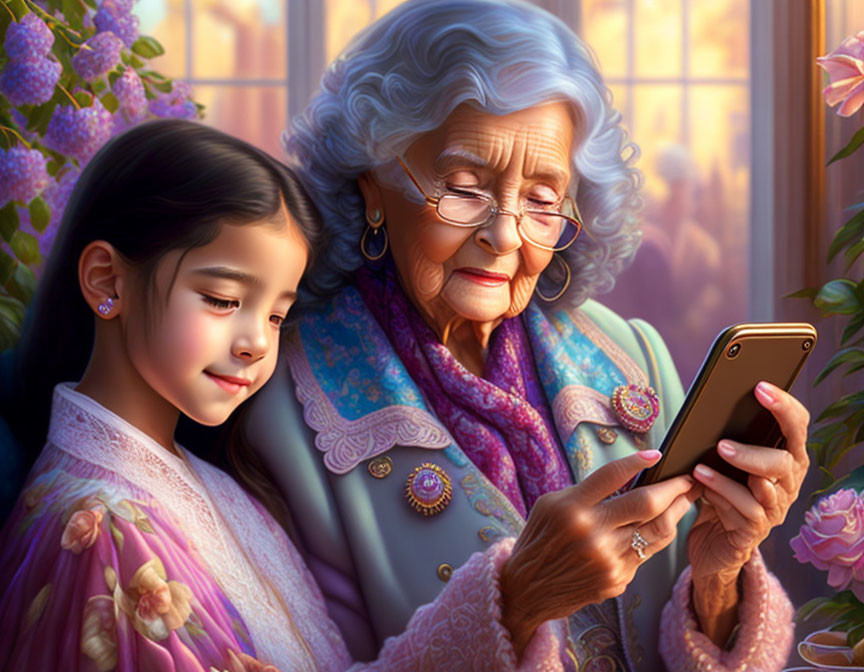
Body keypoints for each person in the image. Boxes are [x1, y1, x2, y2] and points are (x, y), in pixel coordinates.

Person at [238, 1, 808, 669]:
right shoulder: (280, 400)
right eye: (463, 186)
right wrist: (517, 600)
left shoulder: (632, 358)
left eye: (542, 199)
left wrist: (718, 579)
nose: (504, 234)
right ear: (372, 185)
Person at [0, 119, 572, 670]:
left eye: (277, 315)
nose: (254, 343)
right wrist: (508, 605)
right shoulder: (102, 529)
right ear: (107, 279)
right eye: (223, 300)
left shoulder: (209, 477)